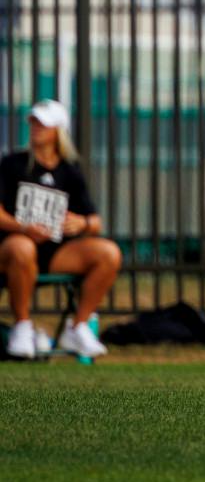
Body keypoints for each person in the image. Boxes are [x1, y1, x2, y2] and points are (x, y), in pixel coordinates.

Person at [2, 100, 120, 361]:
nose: (36, 128)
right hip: (13, 252)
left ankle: (77, 326)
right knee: (22, 247)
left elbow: (94, 221)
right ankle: (21, 327)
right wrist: (23, 227)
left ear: (58, 130)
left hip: (55, 253)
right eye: (33, 122)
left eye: (43, 123)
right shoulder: (12, 164)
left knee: (109, 253)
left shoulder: (70, 170)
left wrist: (82, 223)